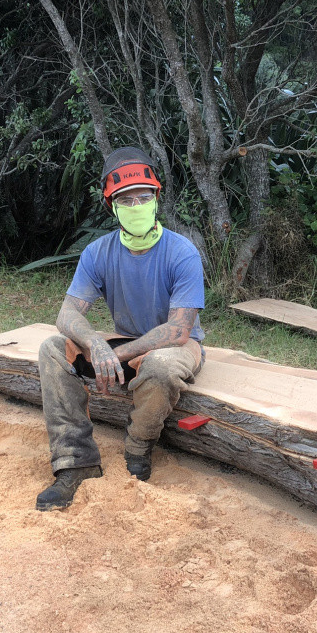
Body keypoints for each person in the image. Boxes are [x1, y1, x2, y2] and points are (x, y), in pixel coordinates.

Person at [35, 146, 205, 511]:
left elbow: (177, 330)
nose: (136, 205)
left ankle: (138, 448)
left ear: (157, 198)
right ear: (111, 205)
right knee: (52, 348)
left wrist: (115, 355)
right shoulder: (98, 252)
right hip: (124, 340)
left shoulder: (182, 252)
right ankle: (75, 463)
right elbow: (67, 315)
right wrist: (95, 341)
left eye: (143, 197)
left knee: (159, 366)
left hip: (177, 345)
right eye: (126, 199)